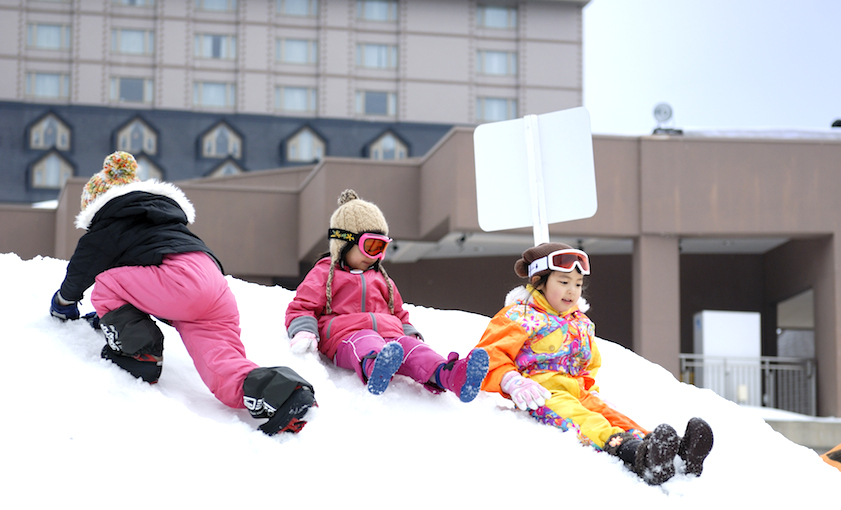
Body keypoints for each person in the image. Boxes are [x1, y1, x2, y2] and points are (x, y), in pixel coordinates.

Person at [49, 151, 315, 435]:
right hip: (214, 288)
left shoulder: (109, 222)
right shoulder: (168, 220)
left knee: (105, 283)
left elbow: (83, 269)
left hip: (180, 283)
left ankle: (140, 354)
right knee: (221, 366)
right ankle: (282, 393)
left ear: (94, 205)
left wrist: (64, 301)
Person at [474, 242, 713, 485]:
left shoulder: (580, 322)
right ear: (540, 281)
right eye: (564, 282)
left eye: (578, 284)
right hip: (542, 392)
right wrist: (512, 381)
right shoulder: (520, 316)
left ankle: (672, 453)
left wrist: (590, 391)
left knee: (613, 416)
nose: (572, 291)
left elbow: (588, 365)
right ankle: (633, 452)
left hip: (578, 391)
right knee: (588, 421)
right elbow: (489, 354)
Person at [285, 189, 488, 401]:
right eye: (371, 246)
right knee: (367, 339)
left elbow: (398, 313)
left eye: (382, 247)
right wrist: (304, 332)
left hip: (391, 339)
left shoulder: (382, 279)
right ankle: (375, 366)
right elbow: (302, 306)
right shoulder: (325, 274)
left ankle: (451, 374)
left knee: (414, 350)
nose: (377, 256)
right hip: (346, 336)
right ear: (344, 242)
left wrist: (410, 335)